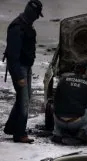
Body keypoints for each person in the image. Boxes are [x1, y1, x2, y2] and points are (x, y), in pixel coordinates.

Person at [3, 0, 43, 143]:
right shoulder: (17, 27)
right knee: (24, 102)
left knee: (24, 98)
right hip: (19, 68)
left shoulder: (26, 25)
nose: (38, 18)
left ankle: (10, 127)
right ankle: (19, 134)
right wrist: (19, 76)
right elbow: (13, 55)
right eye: (37, 14)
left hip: (26, 66)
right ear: (32, 12)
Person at [52, 62, 87, 144]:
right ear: (85, 72)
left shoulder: (63, 80)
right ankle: (83, 133)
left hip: (59, 121)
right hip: (75, 122)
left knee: (57, 107)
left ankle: (57, 133)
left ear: (74, 71)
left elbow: (55, 100)